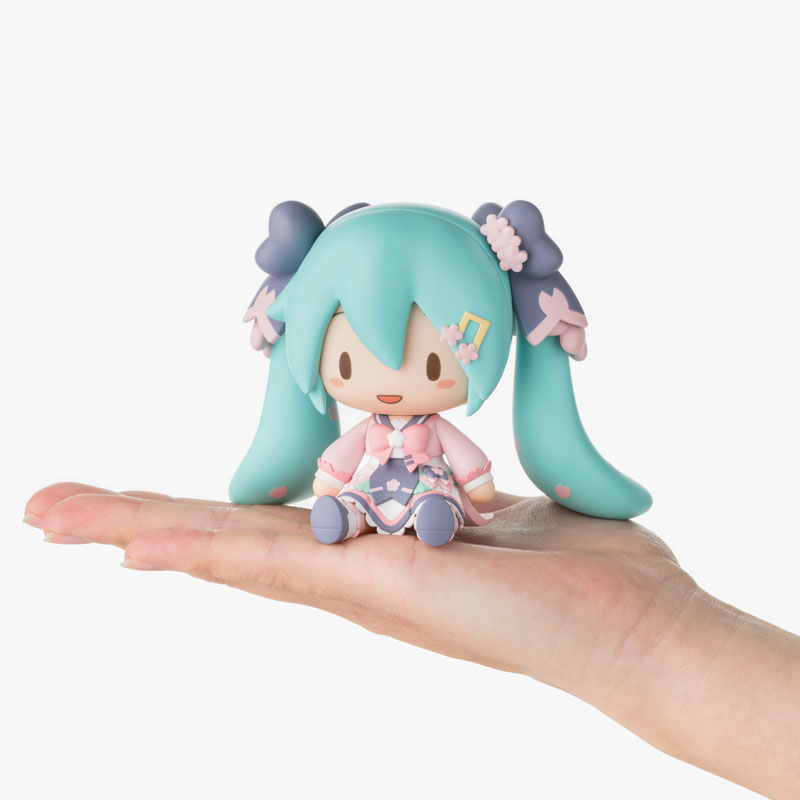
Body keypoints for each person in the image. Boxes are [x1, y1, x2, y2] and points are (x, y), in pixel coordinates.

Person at [23, 482, 800, 798]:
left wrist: (652, 636)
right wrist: (654, 639)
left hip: (426, 495)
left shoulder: (435, 435)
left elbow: (467, 469)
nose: (392, 383)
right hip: (371, 492)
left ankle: (420, 512)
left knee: (428, 505)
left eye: (431, 363)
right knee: (349, 501)